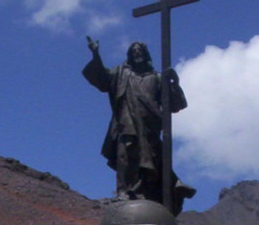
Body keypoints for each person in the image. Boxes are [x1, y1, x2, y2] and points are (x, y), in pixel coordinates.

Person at [82, 37, 196, 213]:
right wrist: (96, 54)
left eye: (140, 52)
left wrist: (174, 83)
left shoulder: (157, 78)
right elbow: (102, 78)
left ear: (146, 54)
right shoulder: (121, 74)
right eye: (134, 52)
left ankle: (146, 193)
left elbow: (174, 105)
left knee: (148, 162)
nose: (137, 55)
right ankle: (123, 193)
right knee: (125, 157)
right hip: (125, 124)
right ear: (129, 56)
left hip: (150, 128)